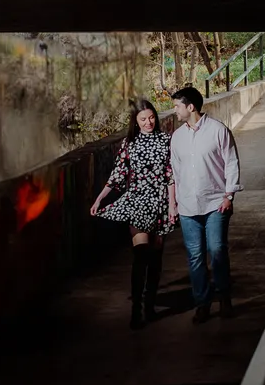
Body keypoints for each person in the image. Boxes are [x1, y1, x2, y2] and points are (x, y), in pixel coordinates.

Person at [89, 98, 174, 329]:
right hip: (137, 203)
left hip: (160, 203)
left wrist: (173, 206)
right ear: (135, 122)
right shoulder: (129, 143)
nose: (149, 122)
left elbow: (170, 176)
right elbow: (118, 175)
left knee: (155, 259)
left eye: (152, 118)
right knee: (141, 255)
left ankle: (150, 305)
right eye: (143, 119)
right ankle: (136, 308)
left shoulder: (166, 140)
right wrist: (100, 197)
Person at [170, 86, 242, 323]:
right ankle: (202, 302)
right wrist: (175, 203)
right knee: (195, 256)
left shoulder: (218, 131)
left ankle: (224, 298)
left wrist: (229, 195)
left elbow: (231, 162)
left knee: (217, 250)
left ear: (190, 107)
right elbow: (176, 172)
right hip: (188, 207)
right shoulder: (177, 137)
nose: (174, 110)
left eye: (177, 105)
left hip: (215, 203)